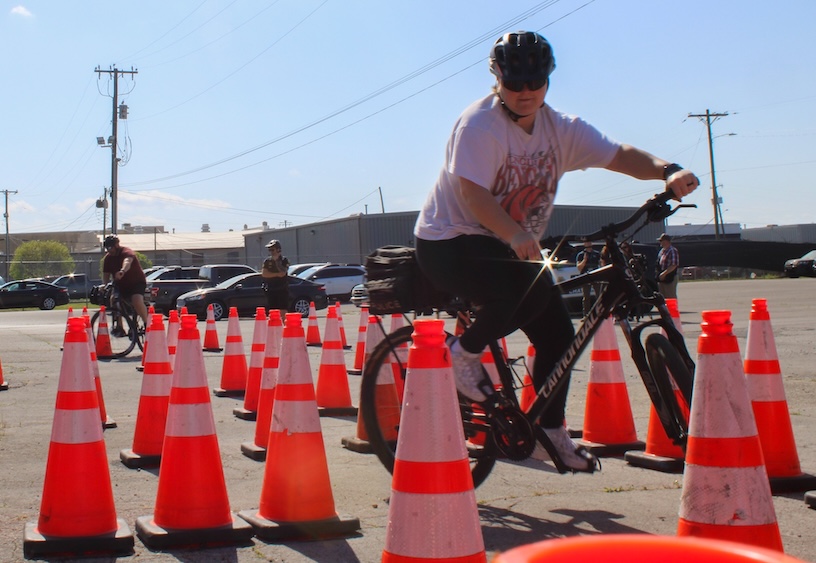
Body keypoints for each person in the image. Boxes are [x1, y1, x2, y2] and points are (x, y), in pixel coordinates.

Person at [413, 31, 699, 472]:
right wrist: (512, 233)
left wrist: (668, 170)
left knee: (558, 334)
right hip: (448, 241)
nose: (526, 92)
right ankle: (462, 355)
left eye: (536, 82)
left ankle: (550, 433)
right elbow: (472, 194)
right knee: (517, 290)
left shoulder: (561, 129)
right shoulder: (479, 125)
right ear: (498, 79)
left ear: (547, 81)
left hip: (505, 245)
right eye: (515, 83)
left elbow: (617, 155)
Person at [101, 235, 149, 326]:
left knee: (136, 300)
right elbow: (106, 274)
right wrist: (104, 284)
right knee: (113, 300)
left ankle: (147, 323)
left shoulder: (126, 252)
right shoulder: (108, 258)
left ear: (117, 245)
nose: (109, 250)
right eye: (107, 248)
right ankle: (119, 326)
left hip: (136, 282)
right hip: (121, 284)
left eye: (110, 247)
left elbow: (127, 262)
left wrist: (122, 271)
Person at [261, 239, 290, 314]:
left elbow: (282, 273)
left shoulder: (284, 260)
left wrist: (276, 262)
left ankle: (284, 325)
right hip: (271, 289)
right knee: (273, 312)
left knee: (283, 311)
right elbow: (264, 274)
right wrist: (276, 274)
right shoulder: (267, 261)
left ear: (278, 250)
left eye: (272, 250)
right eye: (269, 250)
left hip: (282, 289)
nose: (271, 252)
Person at [575, 240, 602, 317]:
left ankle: (599, 312)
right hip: (585, 276)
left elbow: (601, 264)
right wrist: (584, 260)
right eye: (587, 243)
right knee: (586, 297)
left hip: (596, 276)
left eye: (590, 242)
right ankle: (586, 314)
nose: (589, 244)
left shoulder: (596, 254)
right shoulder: (581, 255)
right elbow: (579, 268)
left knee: (599, 295)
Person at [656, 233, 680, 299]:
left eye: (661, 241)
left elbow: (674, 265)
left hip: (670, 277)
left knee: (671, 297)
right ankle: (665, 309)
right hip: (662, 278)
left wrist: (664, 274)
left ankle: (672, 309)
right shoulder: (662, 251)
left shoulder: (672, 251)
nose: (660, 243)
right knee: (663, 298)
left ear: (666, 241)